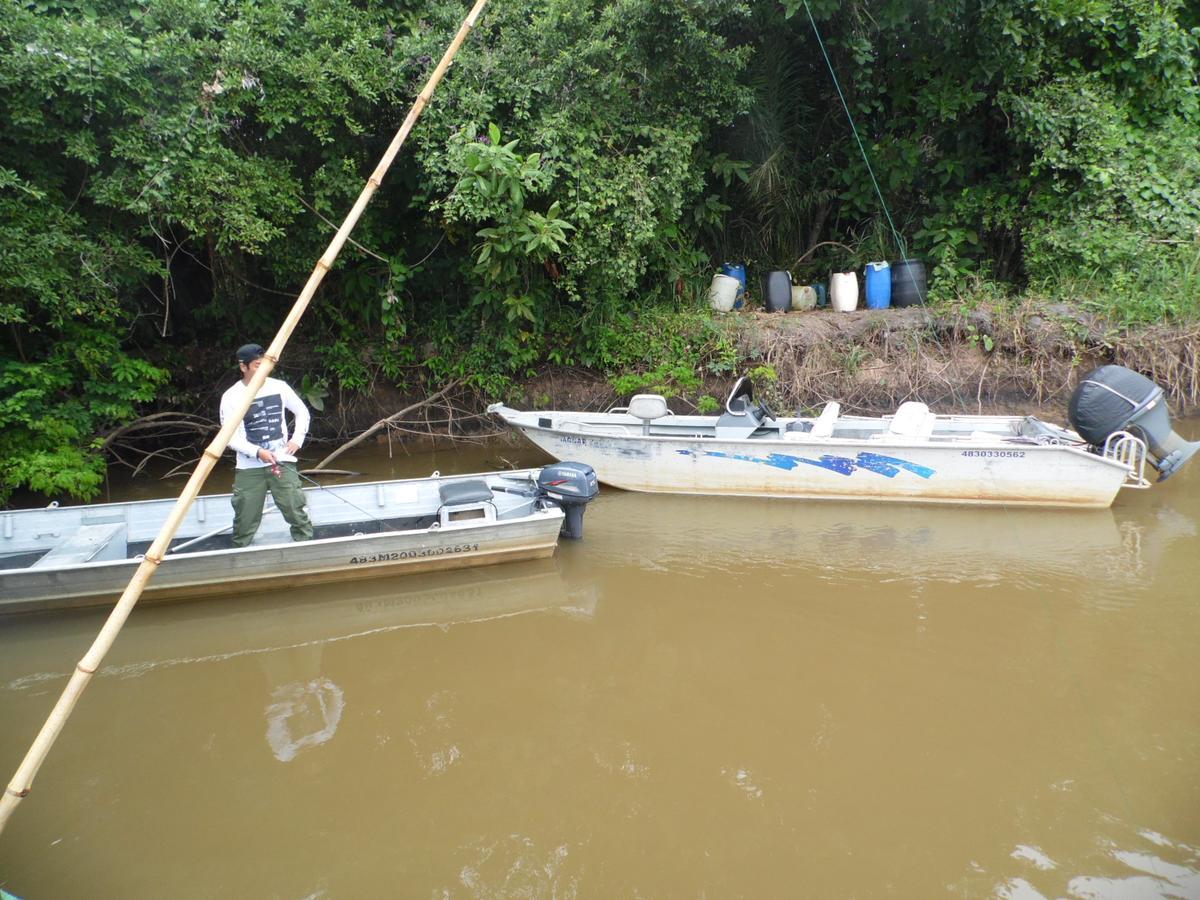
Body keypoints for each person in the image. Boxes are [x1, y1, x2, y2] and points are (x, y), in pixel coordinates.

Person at [219, 343, 314, 548]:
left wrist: (297, 439)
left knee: (294, 508)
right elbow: (229, 437)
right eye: (256, 366)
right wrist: (257, 452)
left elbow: (302, 412)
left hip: (282, 460)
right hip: (249, 467)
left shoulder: (278, 386)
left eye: (264, 365)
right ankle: (240, 552)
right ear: (243, 367)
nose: (261, 370)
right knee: (245, 515)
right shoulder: (231, 396)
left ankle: (305, 546)